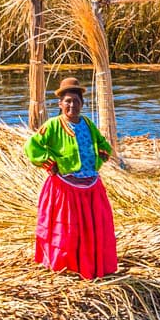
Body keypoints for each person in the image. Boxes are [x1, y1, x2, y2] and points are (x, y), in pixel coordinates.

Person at [25, 77, 117, 280]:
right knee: (67, 229)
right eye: (67, 101)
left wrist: (100, 157)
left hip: (90, 185)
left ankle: (91, 264)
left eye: (76, 101)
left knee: (94, 228)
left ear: (82, 104)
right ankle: (65, 265)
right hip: (66, 187)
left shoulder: (87, 124)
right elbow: (32, 146)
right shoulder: (53, 126)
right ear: (60, 104)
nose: (72, 105)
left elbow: (102, 144)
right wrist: (49, 162)